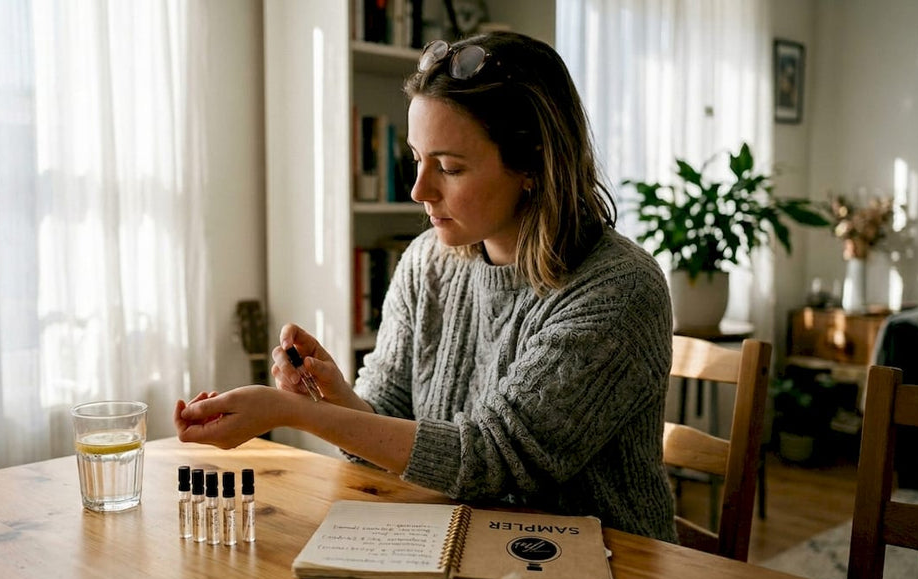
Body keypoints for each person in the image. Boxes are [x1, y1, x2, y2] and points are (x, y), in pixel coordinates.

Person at [175, 31, 677, 542]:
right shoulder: (427, 262)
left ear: (533, 163)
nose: (419, 190)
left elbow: (494, 459)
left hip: (607, 568)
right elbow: (386, 418)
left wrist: (294, 413)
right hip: (458, 540)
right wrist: (335, 398)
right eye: (417, 159)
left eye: (449, 167)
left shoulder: (618, 289)